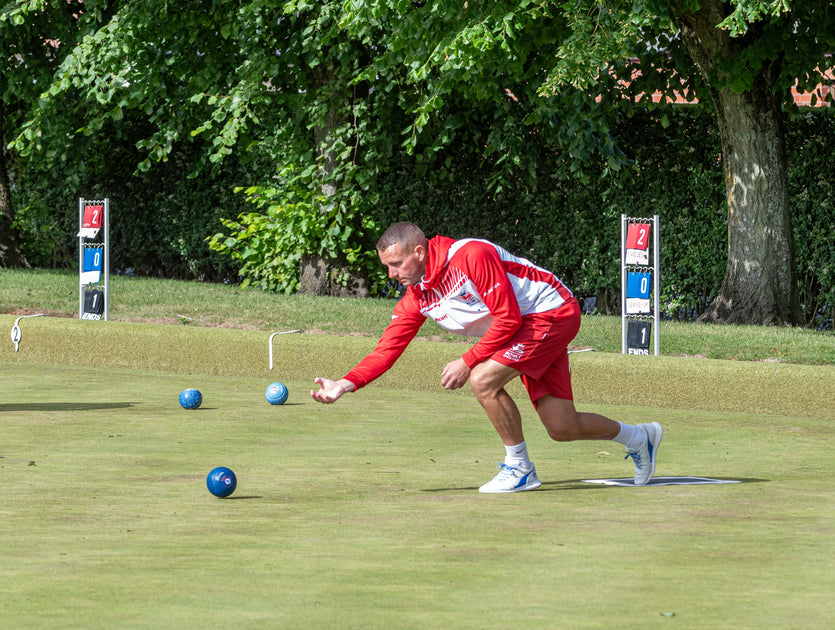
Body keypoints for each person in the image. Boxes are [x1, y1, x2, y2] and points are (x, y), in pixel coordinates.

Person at [310, 222, 662, 493]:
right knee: (562, 427)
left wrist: (468, 361)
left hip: (552, 313)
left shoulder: (471, 255)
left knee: (482, 379)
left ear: (419, 252)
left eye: (396, 264)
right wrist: (345, 383)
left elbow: (508, 318)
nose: (391, 274)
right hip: (523, 328)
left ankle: (520, 468)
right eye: (388, 266)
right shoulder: (418, 295)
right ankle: (639, 438)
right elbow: (387, 349)